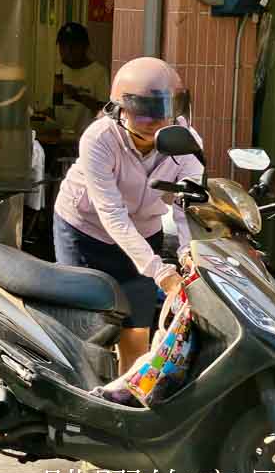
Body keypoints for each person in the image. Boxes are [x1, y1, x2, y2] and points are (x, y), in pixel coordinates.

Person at [53, 57, 198, 371]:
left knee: (136, 329)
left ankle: (129, 403)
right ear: (120, 109)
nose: (157, 120)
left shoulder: (184, 140)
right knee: (85, 326)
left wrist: (188, 256)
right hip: (84, 229)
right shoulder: (99, 138)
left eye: (165, 110)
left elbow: (188, 206)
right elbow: (111, 213)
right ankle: (79, 390)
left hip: (144, 232)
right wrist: (159, 271)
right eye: (144, 111)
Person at [54, 22, 110, 141]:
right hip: (59, 140)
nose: (67, 51)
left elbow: (106, 111)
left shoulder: (98, 73)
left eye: (73, 46)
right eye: (63, 46)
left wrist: (78, 97)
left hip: (88, 141)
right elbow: (52, 109)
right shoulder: (58, 70)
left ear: (85, 47)